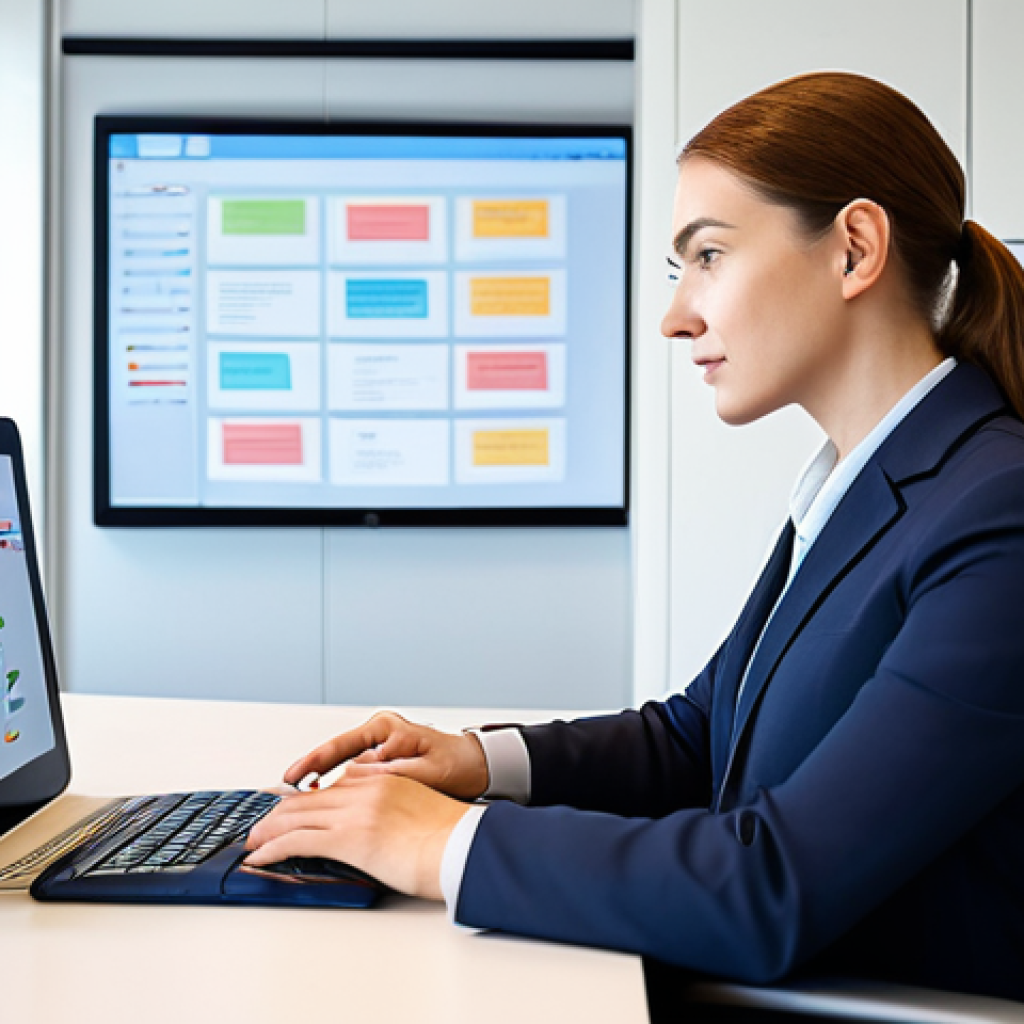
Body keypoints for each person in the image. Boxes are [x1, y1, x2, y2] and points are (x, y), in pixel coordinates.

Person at [245, 72, 1024, 1003]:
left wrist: (436, 840)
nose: (675, 315)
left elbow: (773, 883)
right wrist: (478, 764)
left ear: (854, 249)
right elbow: (702, 736)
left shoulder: (997, 513)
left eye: (709, 257)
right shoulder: (869, 486)